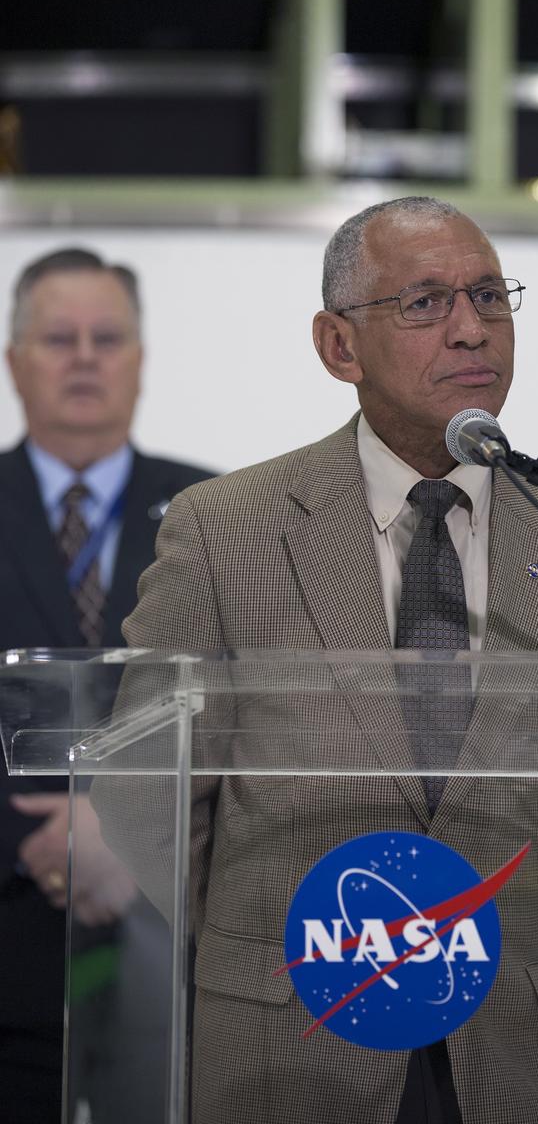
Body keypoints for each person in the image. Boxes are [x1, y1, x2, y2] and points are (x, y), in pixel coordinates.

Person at [103, 197, 538, 1123]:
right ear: (337, 346)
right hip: (294, 1026)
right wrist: (277, 936)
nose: (470, 328)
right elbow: (142, 788)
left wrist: (505, 929)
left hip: (523, 1036)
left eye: (489, 296)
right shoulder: (223, 531)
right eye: (425, 302)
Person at [0, 247, 214, 1124]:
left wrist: (120, 825)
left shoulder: (216, 512)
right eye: (58, 338)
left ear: (139, 360)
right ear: (15, 362)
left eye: (106, 337)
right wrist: (37, 840)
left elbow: (244, 707)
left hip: (166, 927)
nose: (84, 356)